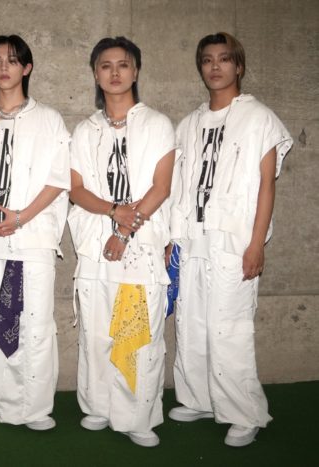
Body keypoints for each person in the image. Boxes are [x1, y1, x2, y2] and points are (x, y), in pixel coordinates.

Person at [169, 32, 292, 447]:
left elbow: (266, 185)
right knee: (191, 324)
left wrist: (256, 243)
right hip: (193, 239)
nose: (215, 67)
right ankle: (199, 399)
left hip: (233, 241)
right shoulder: (190, 124)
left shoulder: (259, 118)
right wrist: (173, 239)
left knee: (230, 328)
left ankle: (243, 412)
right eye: (207, 60)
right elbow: (178, 188)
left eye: (224, 59)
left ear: (238, 66)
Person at [68, 36, 175, 447]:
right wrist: (114, 212)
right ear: (96, 74)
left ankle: (136, 416)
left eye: (123, 65)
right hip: (95, 244)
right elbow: (76, 189)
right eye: (106, 66)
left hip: (139, 246)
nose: (115, 73)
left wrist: (125, 231)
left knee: (135, 332)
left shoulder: (157, 124)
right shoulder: (86, 130)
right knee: (96, 332)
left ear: (136, 72)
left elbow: (161, 187)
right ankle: (99, 406)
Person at [0, 34, 70, 431]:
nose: (4, 67)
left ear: (27, 67)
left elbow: (58, 179)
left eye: (12, 59)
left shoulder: (49, 120)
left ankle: (32, 406)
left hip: (31, 237)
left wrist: (21, 217)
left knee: (31, 321)